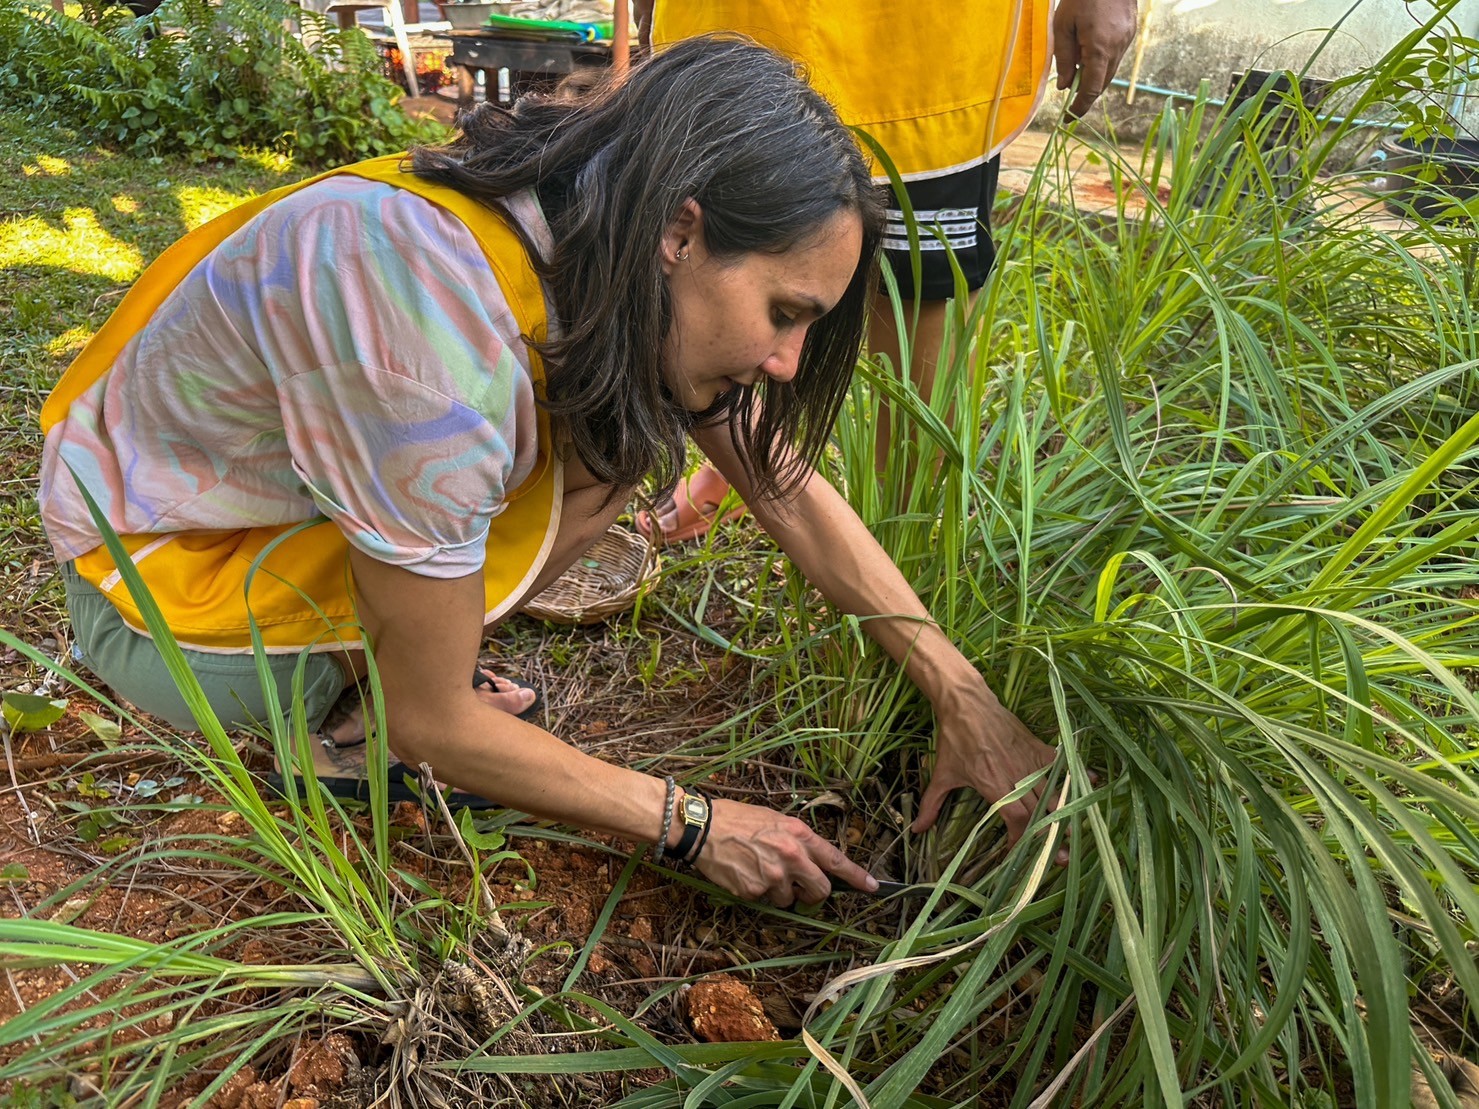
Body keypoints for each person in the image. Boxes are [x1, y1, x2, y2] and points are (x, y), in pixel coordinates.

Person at [38, 37, 1062, 909]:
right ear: (682, 229)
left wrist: (959, 694)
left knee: (622, 426)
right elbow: (436, 720)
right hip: (157, 606)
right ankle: (341, 723)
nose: (787, 361)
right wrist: (694, 823)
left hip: (238, 511)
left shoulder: (584, 208)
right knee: (600, 456)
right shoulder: (433, 335)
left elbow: (779, 480)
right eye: (785, 312)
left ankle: (386, 643)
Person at [634, 0, 1139, 541]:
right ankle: (748, 458)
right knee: (743, 243)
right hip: (745, 16)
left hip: (925, 42)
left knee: (923, 284)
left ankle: (905, 525)